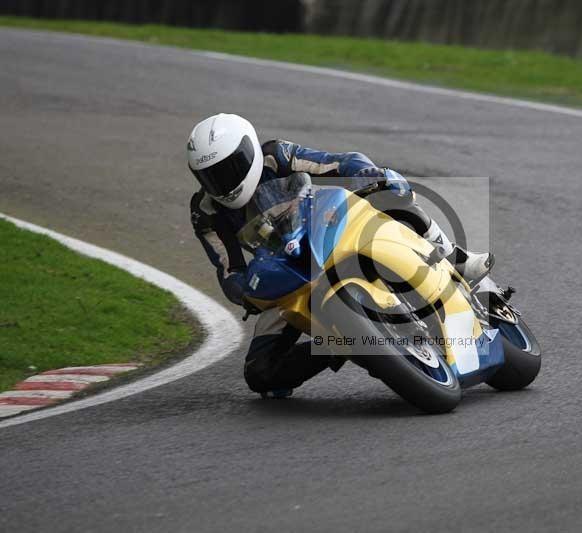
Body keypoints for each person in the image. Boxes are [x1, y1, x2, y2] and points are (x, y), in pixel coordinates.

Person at [187, 113, 492, 397]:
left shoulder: (277, 156)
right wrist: (245, 292)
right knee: (260, 374)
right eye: (212, 176)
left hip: (329, 227)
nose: (223, 182)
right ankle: (340, 343)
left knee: (392, 193)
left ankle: (453, 257)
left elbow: (337, 163)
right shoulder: (205, 212)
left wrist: (366, 174)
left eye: (230, 168)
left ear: (249, 152)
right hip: (288, 272)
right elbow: (229, 269)